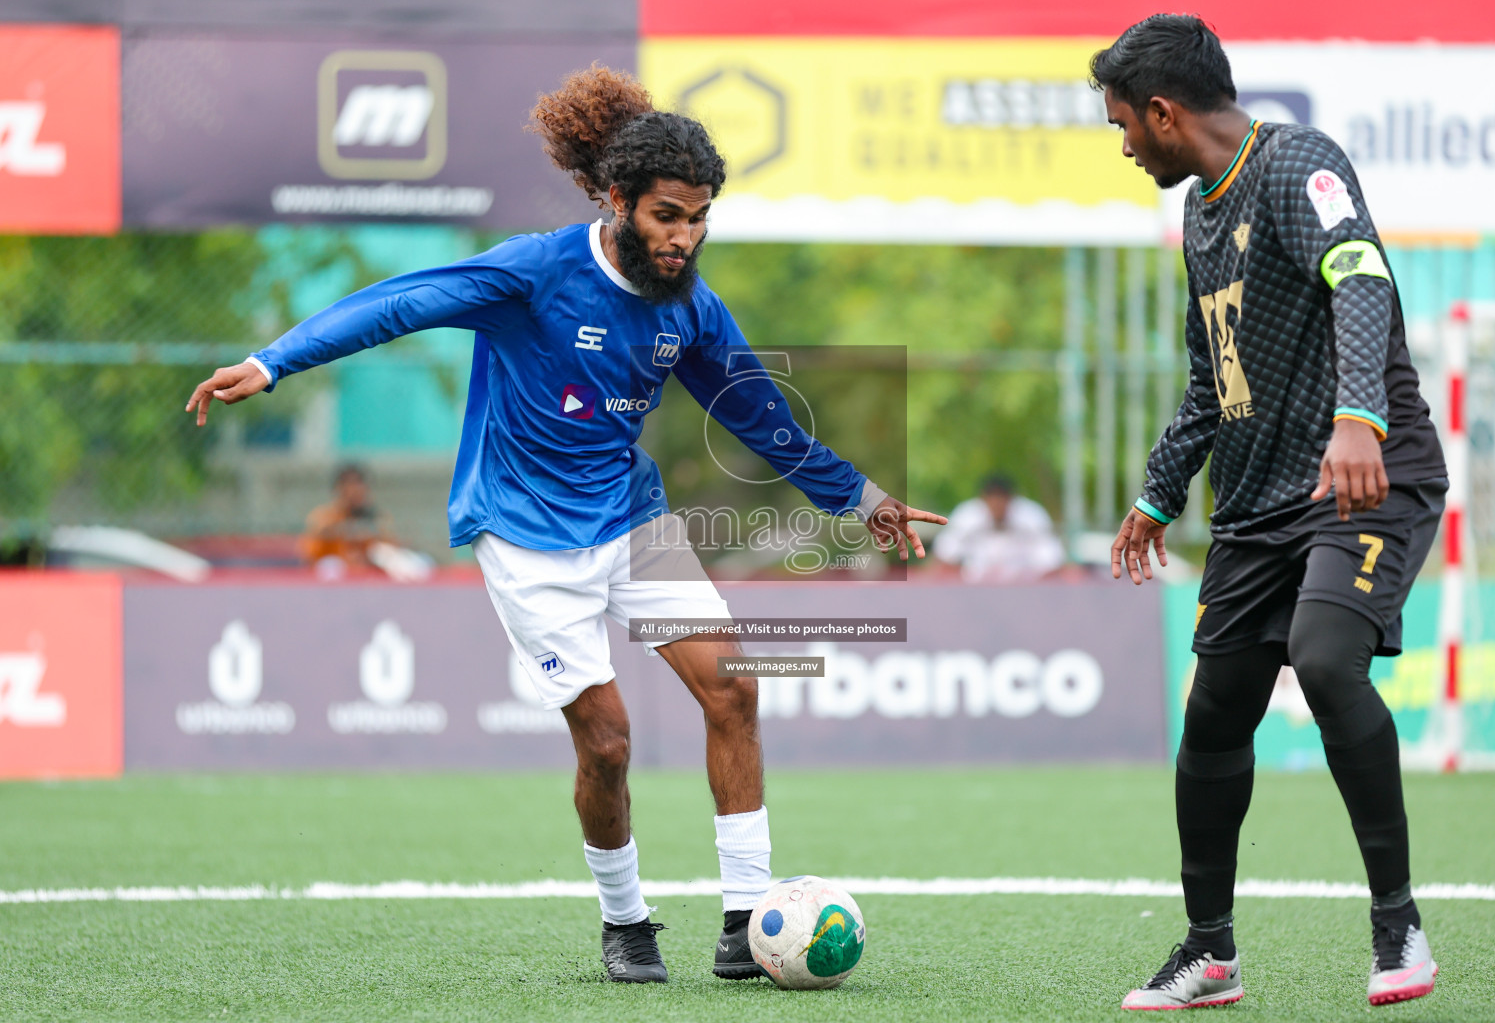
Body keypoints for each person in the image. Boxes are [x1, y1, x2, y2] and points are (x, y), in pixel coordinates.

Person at [185, 65, 944, 984]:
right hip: (526, 535)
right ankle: (625, 920)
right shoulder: (534, 273)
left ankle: (747, 920)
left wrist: (860, 500)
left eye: (701, 217)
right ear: (618, 200)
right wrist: (273, 363)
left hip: (631, 520)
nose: (686, 236)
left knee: (734, 691)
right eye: (668, 215)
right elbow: (397, 304)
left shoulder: (692, 309)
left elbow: (758, 414)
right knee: (609, 741)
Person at [1093, 16, 1447, 1011]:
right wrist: (1158, 494)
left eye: (1124, 125)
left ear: (1164, 112)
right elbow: (1212, 382)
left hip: (1363, 474)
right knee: (1212, 717)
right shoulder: (1202, 217)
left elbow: (1362, 275)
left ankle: (1399, 929)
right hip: (1257, 506)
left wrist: (1361, 418)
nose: (1124, 144)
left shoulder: (1300, 165)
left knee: (1329, 660)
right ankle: (1211, 954)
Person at [931, 475, 1065, 582]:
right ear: (983, 499)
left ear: (1012, 499)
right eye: (992, 499)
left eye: (1002, 498)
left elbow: (1052, 561)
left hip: (1023, 592)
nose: (997, 505)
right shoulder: (967, 516)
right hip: (973, 594)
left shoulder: (1031, 516)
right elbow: (944, 556)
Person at [300, 464, 395, 574]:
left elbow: (390, 547)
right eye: (350, 488)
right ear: (339, 490)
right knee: (330, 564)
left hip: (366, 577)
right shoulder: (324, 517)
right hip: (333, 578)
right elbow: (309, 553)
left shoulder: (377, 518)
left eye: (359, 488)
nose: (355, 493)